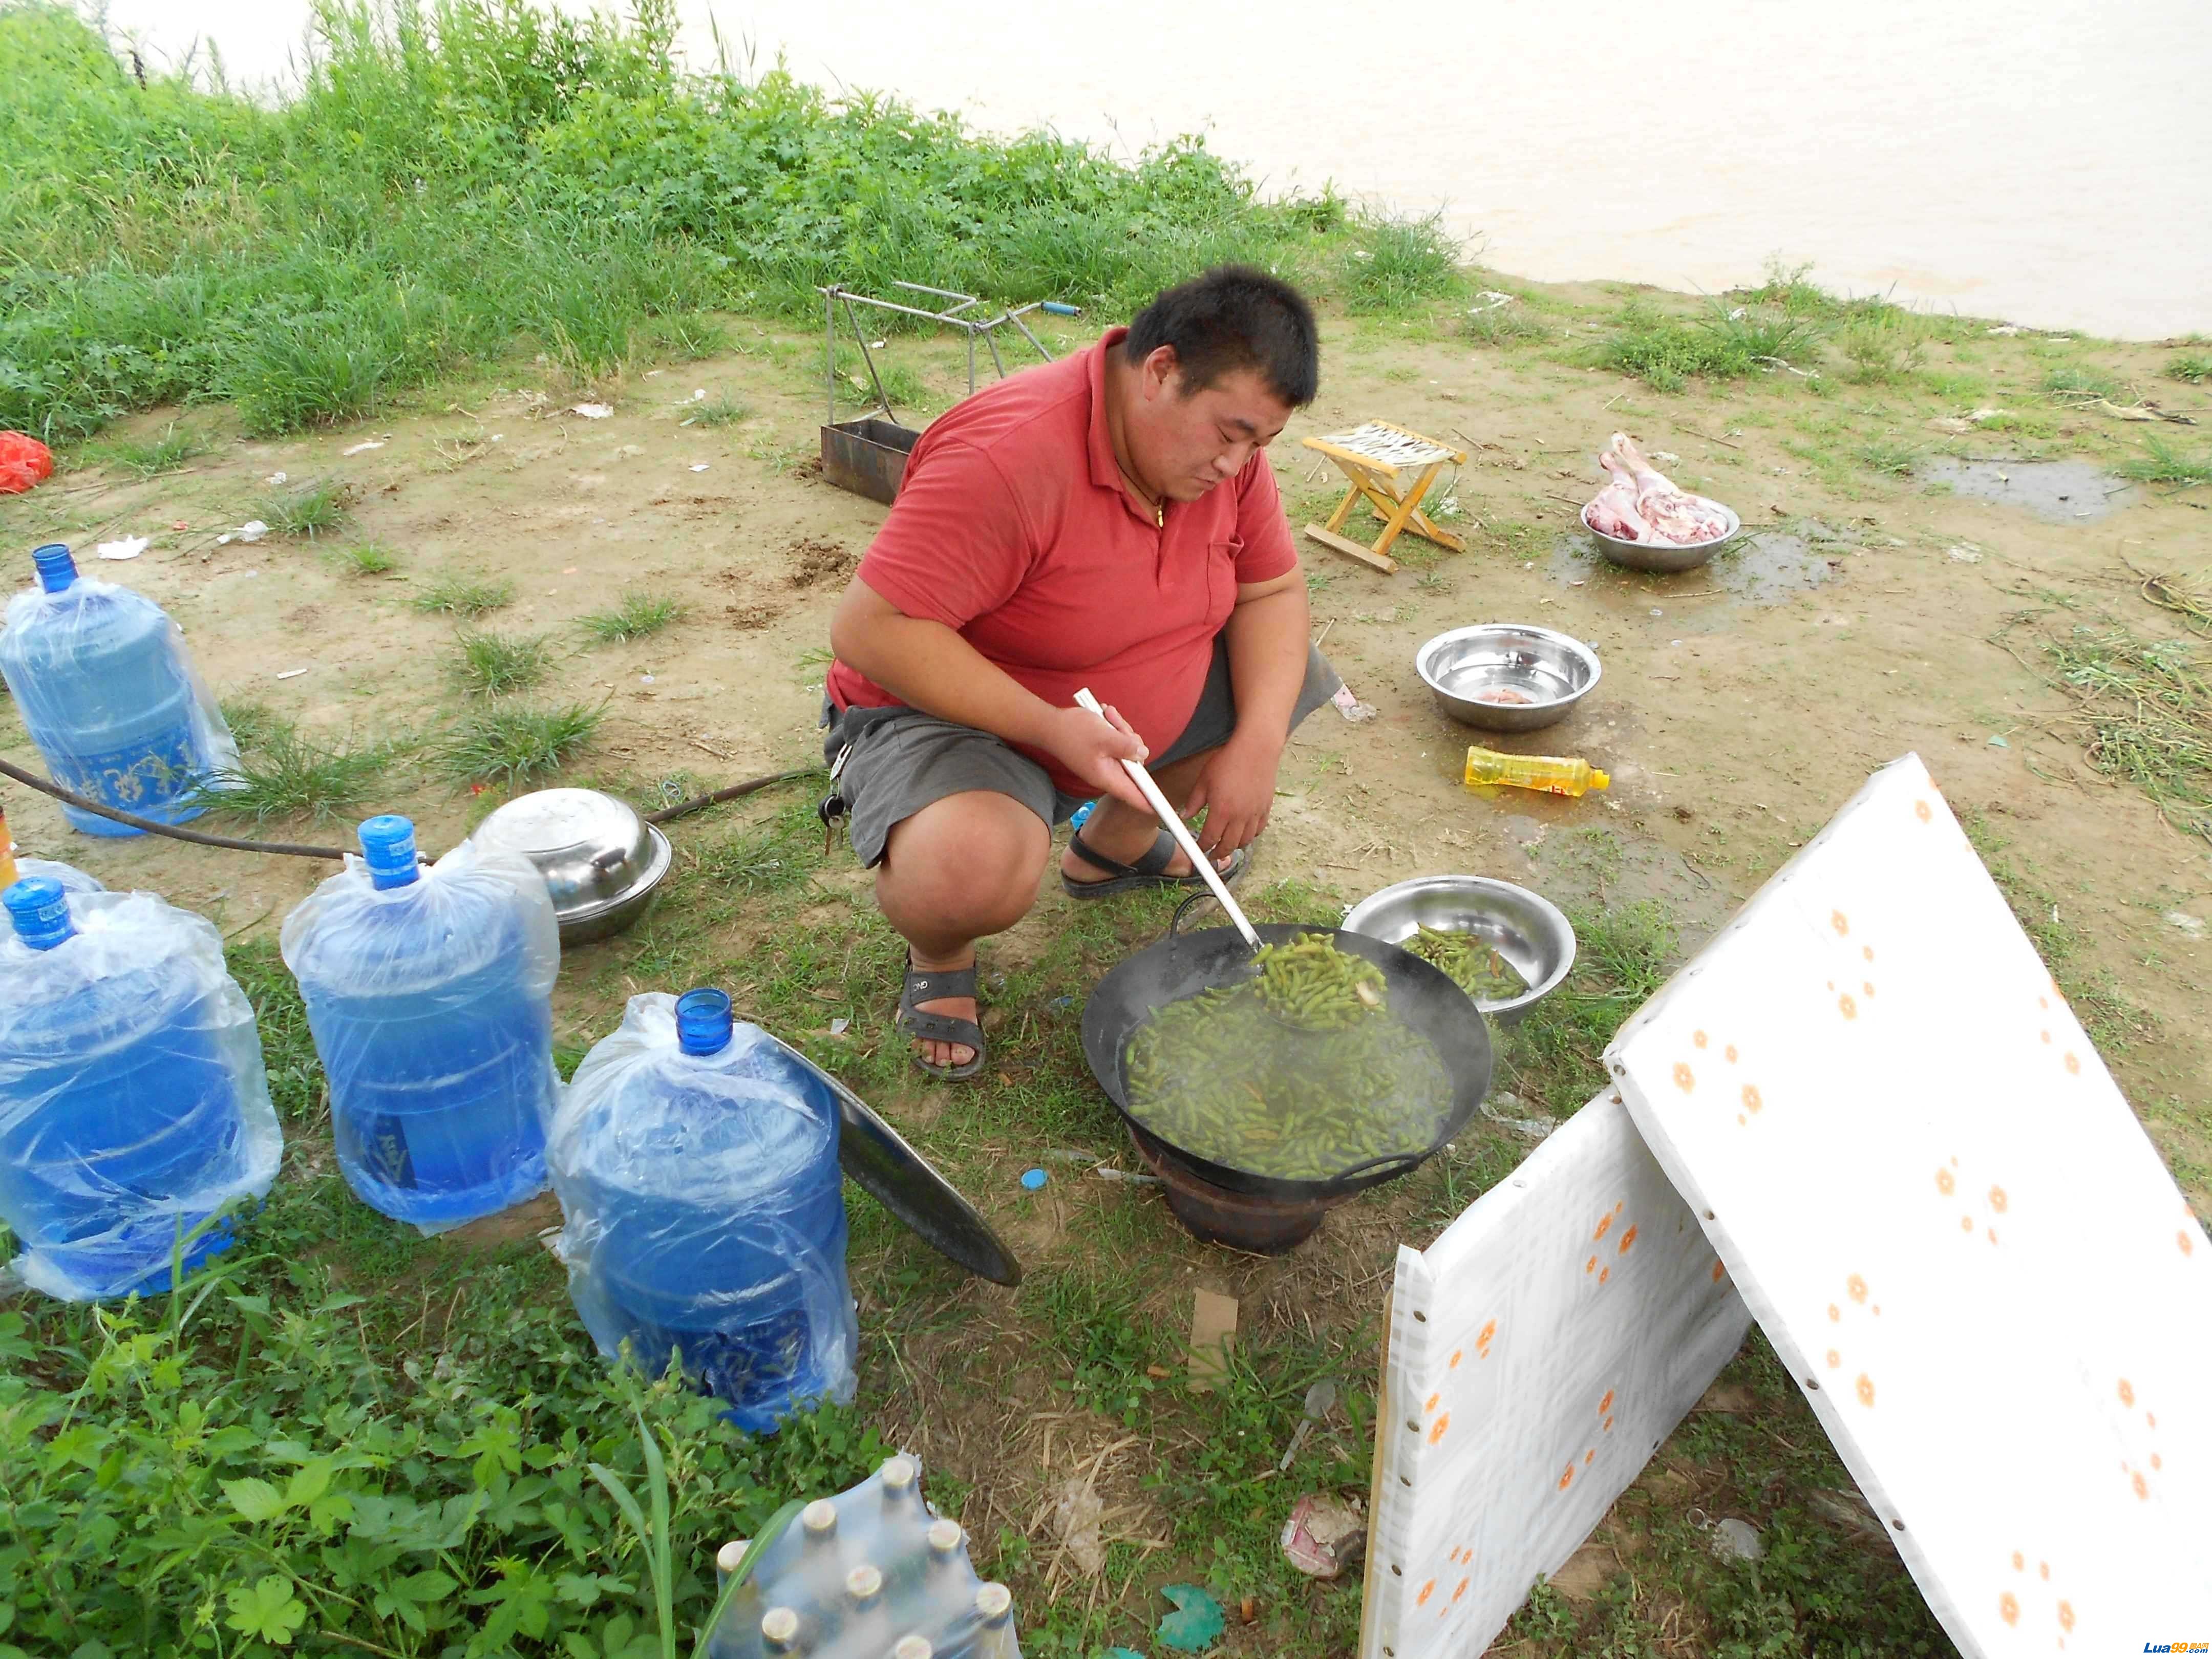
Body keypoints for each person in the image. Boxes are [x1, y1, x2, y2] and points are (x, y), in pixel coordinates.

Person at [824, 266, 1341, 1078]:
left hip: (1110, 713)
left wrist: (1261, 741)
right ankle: (942, 952)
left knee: (1278, 680)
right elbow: (871, 630)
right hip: (967, 717)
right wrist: (1050, 727)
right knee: (973, 868)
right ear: (1161, 372)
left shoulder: (1222, 459)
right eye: (1230, 434)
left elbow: (1272, 592)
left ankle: (1109, 851)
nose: (1237, 467)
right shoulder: (1007, 458)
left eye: (1261, 445)